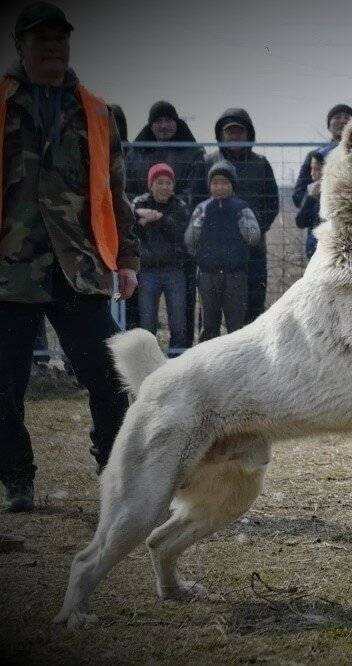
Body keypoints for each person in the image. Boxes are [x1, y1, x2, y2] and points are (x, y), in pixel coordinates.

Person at [0, 2, 140, 510]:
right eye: (41, 40)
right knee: (4, 383)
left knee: (110, 373)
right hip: (8, 269)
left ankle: (114, 472)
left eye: (60, 39)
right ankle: (18, 480)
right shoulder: (2, 102)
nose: (53, 48)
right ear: (21, 47)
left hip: (77, 266)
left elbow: (117, 190)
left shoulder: (96, 111)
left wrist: (126, 258)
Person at [126, 100, 205, 348]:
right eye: (158, 121)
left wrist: (165, 213)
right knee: (142, 312)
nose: (164, 126)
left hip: (178, 249)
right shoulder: (137, 152)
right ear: (150, 125)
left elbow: (194, 193)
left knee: (180, 312)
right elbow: (127, 191)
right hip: (144, 252)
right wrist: (142, 212)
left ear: (177, 122)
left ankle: (181, 355)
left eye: (168, 120)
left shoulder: (192, 152)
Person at [201, 108, 279, 323]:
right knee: (211, 311)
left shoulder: (260, 164)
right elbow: (197, 200)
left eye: (239, 131)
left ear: (249, 135)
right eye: (229, 132)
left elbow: (272, 203)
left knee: (253, 307)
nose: (234, 136)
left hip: (252, 248)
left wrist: (254, 229)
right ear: (220, 135)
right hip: (214, 250)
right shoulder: (208, 162)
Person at [185, 161, 259, 341]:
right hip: (207, 275)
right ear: (209, 185)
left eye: (225, 183)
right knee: (209, 324)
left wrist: (242, 223)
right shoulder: (202, 208)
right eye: (215, 183)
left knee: (236, 324)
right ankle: (208, 362)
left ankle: (237, 361)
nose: (220, 187)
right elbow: (190, 240)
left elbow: (254, 237)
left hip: (235, 275)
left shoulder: (241, 208)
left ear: (232, 186)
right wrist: (203, 255)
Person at [132, 163, 189, 352]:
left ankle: (177, 359)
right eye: (160, 182)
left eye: (168, 183)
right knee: (147, 322)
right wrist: (140, 213)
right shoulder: (140, 203)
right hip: (148, 271)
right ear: (151, 185)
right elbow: (130, 219)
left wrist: (159, 218)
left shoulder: (180, 206)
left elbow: (180, 232)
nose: (165, 187)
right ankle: (148, 358)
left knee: (178, 321)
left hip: (174, 270)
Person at [292, 104, 352, 208]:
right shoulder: (315, 156)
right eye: (337, 117)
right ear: (329, 126)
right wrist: (315, 191)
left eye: (347, 117)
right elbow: (297, 197)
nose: (343, 121)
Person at [294, 153, 323, 259]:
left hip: (330, 251)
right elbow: (300, 222)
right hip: (313, 252)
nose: (312, 174)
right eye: (312, 169)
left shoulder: (336, 194)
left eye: (317, 169)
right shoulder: (311, 190)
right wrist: (310, 199)